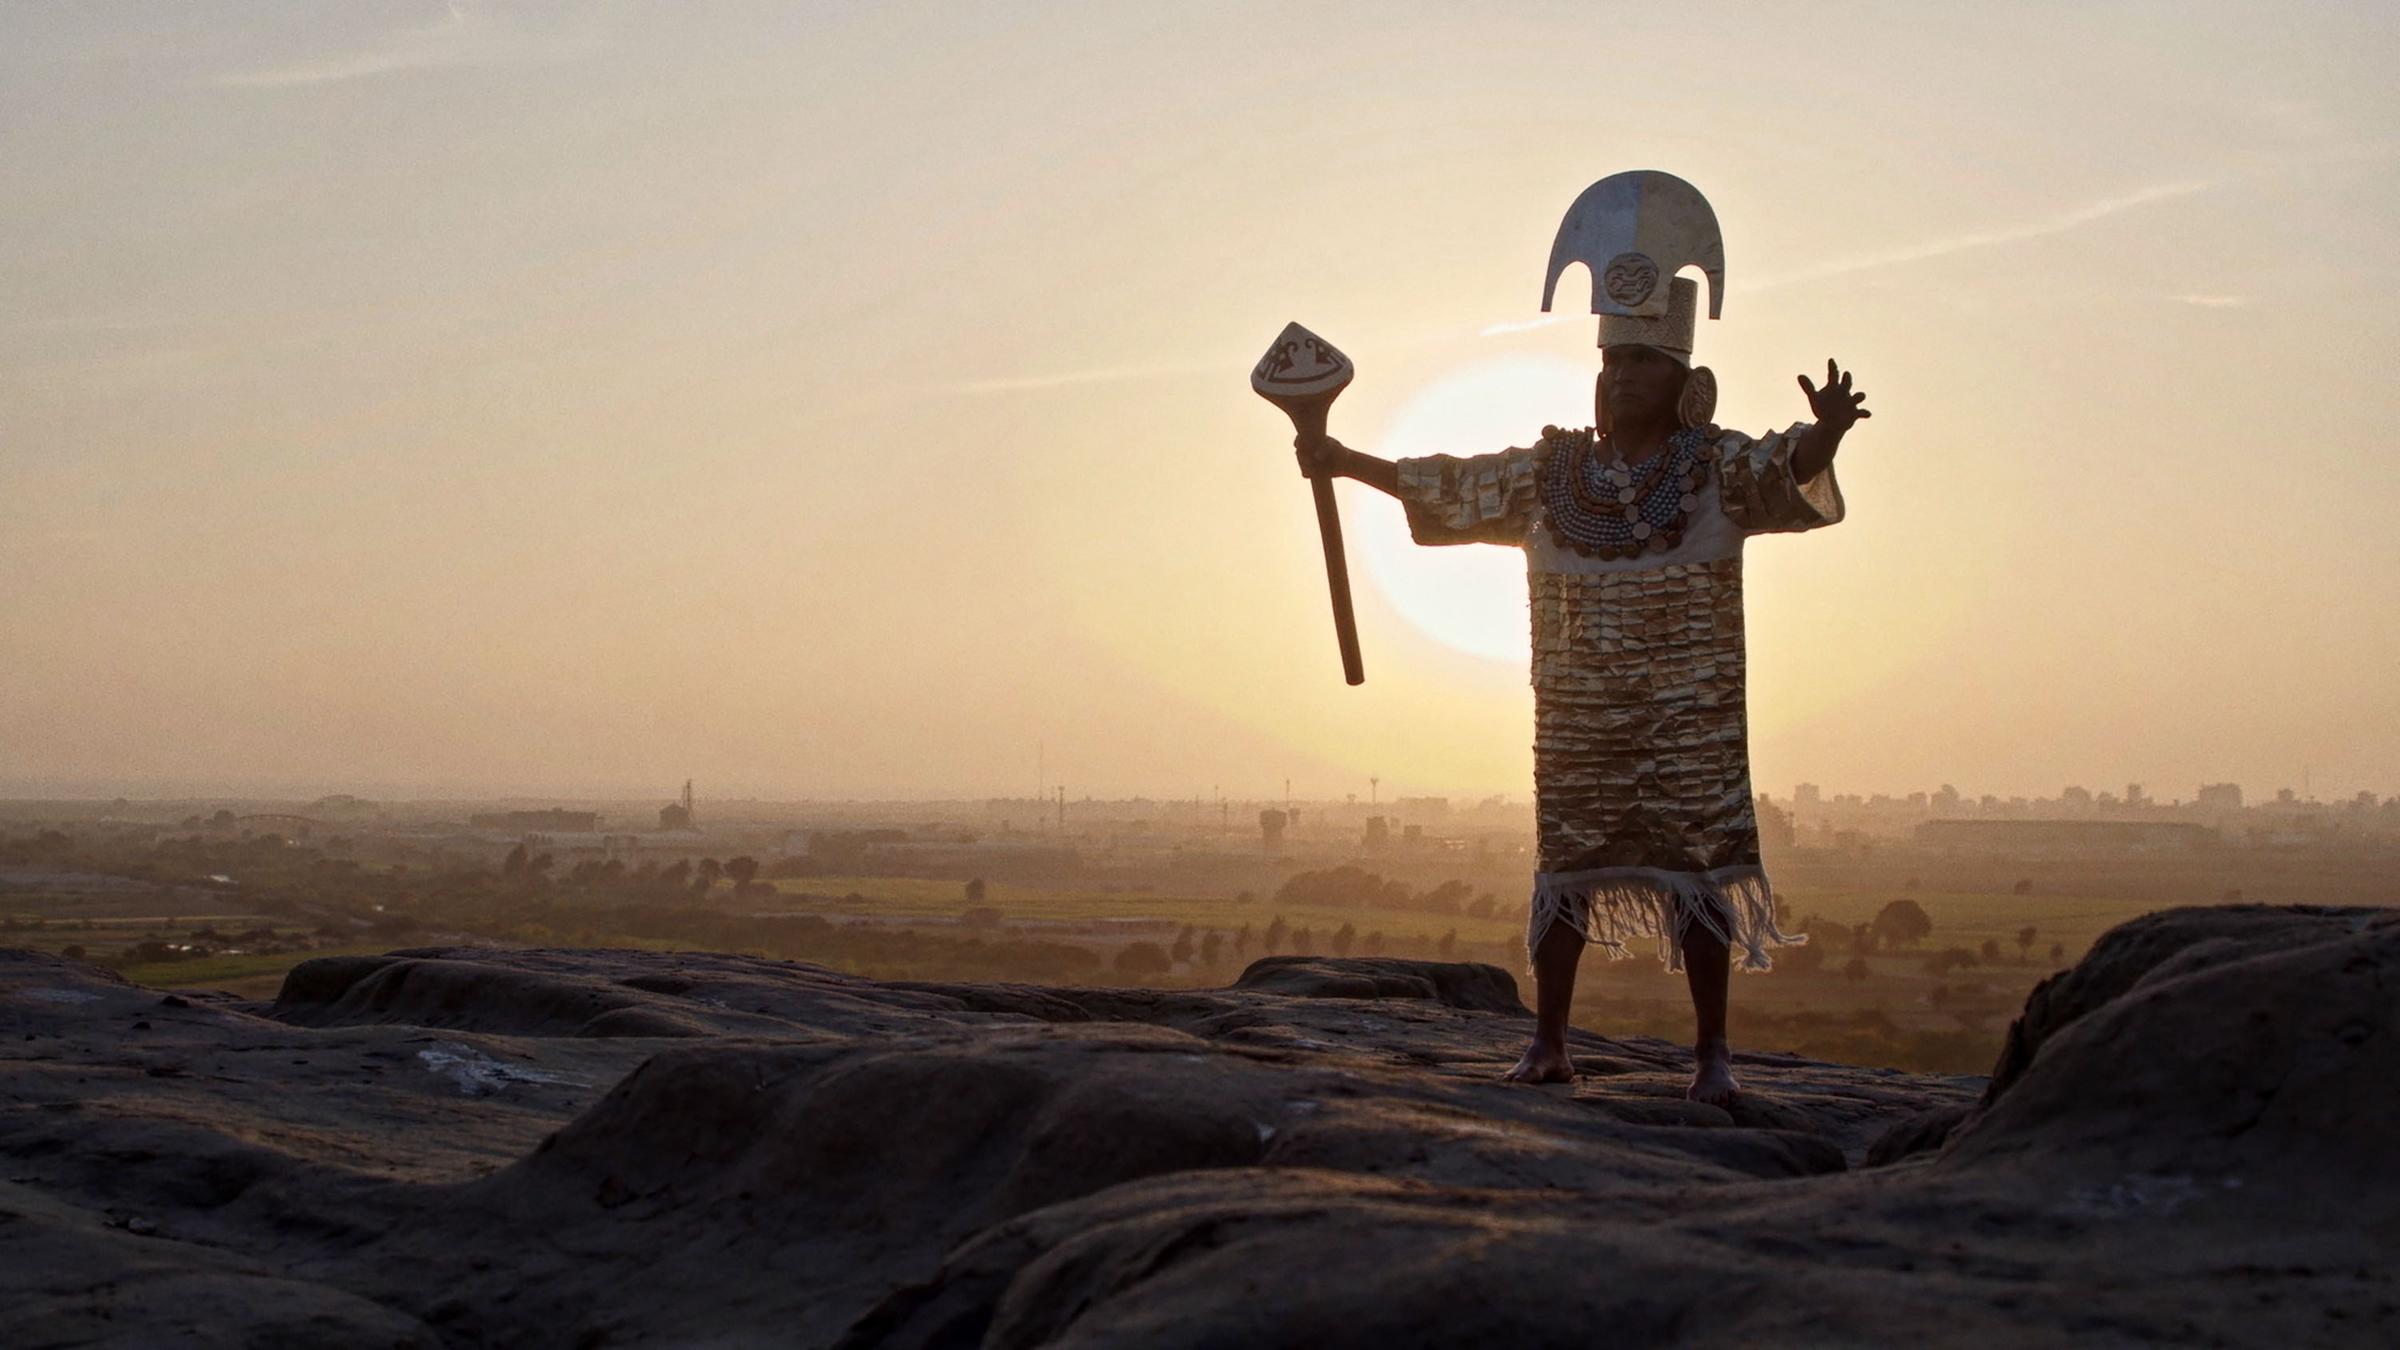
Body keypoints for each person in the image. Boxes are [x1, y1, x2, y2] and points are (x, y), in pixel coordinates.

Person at [1294, 172, 1871, 1104]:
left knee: (1698, 880)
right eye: (1610, 365)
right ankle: (1551, 1040)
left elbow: (1784, 467)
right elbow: (1455, 480)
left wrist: (1825, 437)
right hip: (1579, 719)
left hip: (1691, 718)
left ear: (1684, 383)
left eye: (1640, 364)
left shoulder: (1716, 470)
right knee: (1564, 872)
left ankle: (1714, 1056)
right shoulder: (1553, 475)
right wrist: (1344, 460)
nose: (1618, 380)